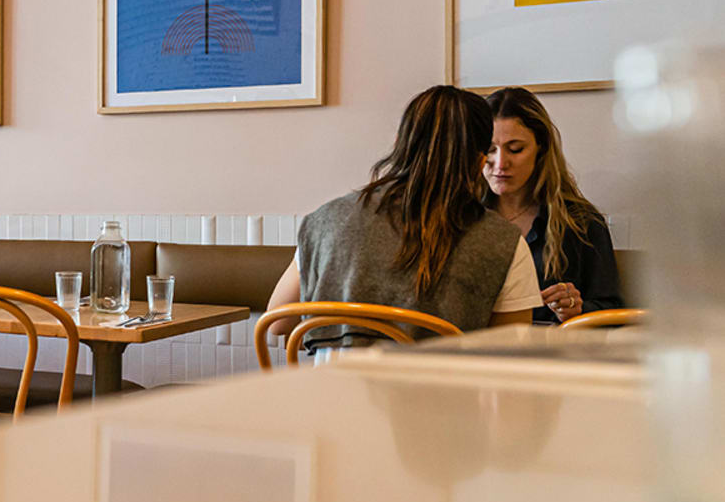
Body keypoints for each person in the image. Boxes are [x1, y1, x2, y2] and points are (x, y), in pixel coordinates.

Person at [266, 85, 542, 349]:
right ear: (480, 163)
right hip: (441, 397)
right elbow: (509, 355)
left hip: (331, 394)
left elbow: (278, 323)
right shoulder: (504, 245)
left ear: (398, 145)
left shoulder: (326, 222)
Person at [484, 86, 622, 324]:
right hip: (471, 354)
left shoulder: (581, 223)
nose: (500, 164)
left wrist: (577, 310)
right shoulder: (462, 218)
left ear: (541, 149)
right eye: (489, 150)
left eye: (515, 149)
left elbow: (613, 312)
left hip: (549, 354)